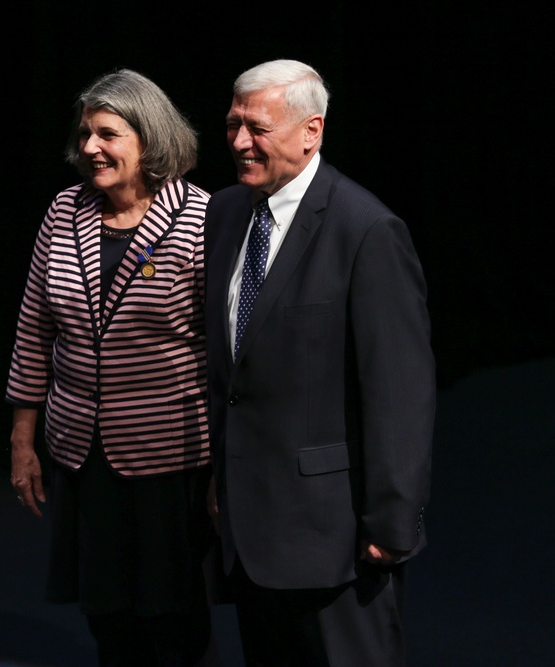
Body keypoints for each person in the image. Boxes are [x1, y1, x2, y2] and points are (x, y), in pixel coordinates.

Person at [204, 60, 435, 666]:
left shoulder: (367, 231)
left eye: (257, 127)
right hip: (250, 536)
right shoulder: (224, 215)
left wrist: (390, 522)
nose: (238, 142)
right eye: (232, 124)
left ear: (312, 130)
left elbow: (399, 394)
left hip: (335, 541)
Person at [6, 69, 214, 667]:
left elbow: (225, 347)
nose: (90, 147)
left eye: (108, 133)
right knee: (107, 614)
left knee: (173, 618)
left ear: (149, 138)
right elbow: (32, 329)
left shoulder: (199, 218)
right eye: (86, 134)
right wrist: (24, 440)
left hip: (168, 457)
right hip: (82, 453)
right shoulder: (65, 211)